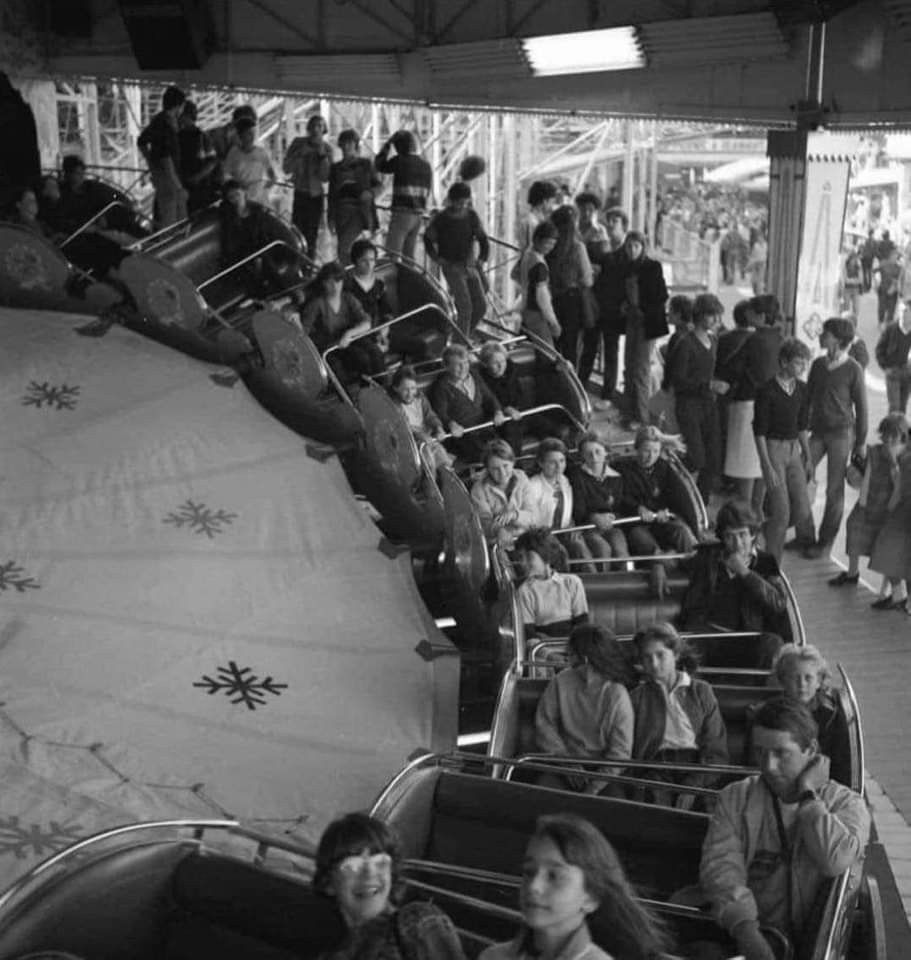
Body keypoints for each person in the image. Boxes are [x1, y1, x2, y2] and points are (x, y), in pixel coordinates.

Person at [699, 698, 869, 960]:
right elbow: (721, 868)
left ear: (811, 750)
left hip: (812, 944)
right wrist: (747, 931)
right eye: (760, 752)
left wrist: (809, 796)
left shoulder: (846, 804)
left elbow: (833, 860)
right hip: (747, 936)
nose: (768, 765)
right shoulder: (735, 797)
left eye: (781, 753)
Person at [478, 814, 671, 960]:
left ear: (591, 897)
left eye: (554, 876)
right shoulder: (493, 957)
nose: (534, 886)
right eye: (529, 872)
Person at [313, 812, 466, 960]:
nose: (369, 874)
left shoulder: (416, 921)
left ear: (391, 874)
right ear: (328, 883)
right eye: (353, 866)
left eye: (381, 863)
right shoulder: (333, 952)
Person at [630, 622, 728, 803]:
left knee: (700, 806)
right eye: (647, 657)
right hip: (656, 768)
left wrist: (694, 784)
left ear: (675, 654)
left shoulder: (700, 691)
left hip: (696, 765)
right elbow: (633, 752)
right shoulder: (637, 698)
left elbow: (716, 750)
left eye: (660, 655)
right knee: (656, 807)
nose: (654, 664)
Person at [795, 317, 868, 560]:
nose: (821, 336)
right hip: (817, 432)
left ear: (837, 339)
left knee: (834, 491)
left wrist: (860, 443)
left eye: (826, 333)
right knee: (798, 476)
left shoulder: (853, 369)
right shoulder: (817, 365)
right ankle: (805, 535)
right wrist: (800, 428)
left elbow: (862, 408)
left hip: (842, 434)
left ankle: (825, 542)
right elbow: (807, 399)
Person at [534, 624, 635, 796]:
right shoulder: (560, 681)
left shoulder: (616, 695)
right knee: (542, 793)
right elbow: (544, 726)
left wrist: (594, 787)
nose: (568, 660)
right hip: (564, 762)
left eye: (571, 654)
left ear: (584, 659)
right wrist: (565, 760)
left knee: (614, 801)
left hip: (605, 771)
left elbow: (620, 754)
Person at [679, 500, 789, 654]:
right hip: (709, 635)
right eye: (730, 536)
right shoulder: (709, 556)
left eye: (742, 535)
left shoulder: (766, 561)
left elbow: (778, 603)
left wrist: (745, 573)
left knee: (772, 644)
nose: (738, 544)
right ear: (723, 539)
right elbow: (680, 564)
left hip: (747, 638)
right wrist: (659, 566)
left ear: (752, 534)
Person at [753, 338, 814, 561]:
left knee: (803, 509)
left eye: (804, 362)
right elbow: (759, 431)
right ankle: (772, 566)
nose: (802, 367)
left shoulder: (803, 389)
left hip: (794, 449)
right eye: (798, 362)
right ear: (784, 362)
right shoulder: (766, 390)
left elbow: (802, 426)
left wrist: (808, 456)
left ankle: (765, 531)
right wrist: (766, 465)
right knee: (782, 512)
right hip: (773, 448)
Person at [755, 645, 851, 785]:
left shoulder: (831, 716)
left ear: (818, 682)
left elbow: (842, 765)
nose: (801, 684)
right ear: (782, 680)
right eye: (794, 678)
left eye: (808, 678)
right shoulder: (767, 713)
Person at [832, 412, 908, 589]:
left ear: (902, 436)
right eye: (886, 434)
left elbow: (900, 486)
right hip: (871, 500)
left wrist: (894, 463)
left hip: (891, 507)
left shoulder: (905, 457)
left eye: (894, 435)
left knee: (886, 548)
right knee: (853, 526)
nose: (889, 439)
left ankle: (893, 591)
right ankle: (852, 573)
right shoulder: (875, 451)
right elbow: (867, 477)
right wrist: (862, 503)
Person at [667, 293, 726, 502]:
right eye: (712, 315)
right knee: (696, 457)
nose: (716, 320)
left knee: (714, 459)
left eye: (717, 315)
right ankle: (671, 483)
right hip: (688, 405)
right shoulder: (686, 343)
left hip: (708, 404)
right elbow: (678, 381)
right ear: (700, 315)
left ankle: (701, 502)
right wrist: (707, 385)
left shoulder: (713, 341)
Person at [616, 425, 697, 558]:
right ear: (637, 448)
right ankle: (668, 562)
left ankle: (696, 560)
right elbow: (620, 497)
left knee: (681, 531)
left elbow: (676, 497)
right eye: (646, 451)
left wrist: (665, 510)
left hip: (659, 521)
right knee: (645, 542)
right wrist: (638, 508)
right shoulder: (623, 469)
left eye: (655, 451)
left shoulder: (663, 467)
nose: (651, 457)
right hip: (635, 524)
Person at [301, 260, 385, 385]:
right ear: (323, 283)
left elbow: (366, 323)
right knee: (344, 365)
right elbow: (305, 332)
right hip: (328, 347)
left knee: (374, 352)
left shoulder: (348, 298)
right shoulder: (317, 304)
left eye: (338, 281)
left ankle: (382, 386)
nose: (335, 286)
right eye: (330, 282)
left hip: (348, 340)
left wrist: (349, 334)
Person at [424, 181, 489, 336]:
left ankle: (462, 336)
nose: (461, 206)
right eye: (458, 202)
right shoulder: (441, 219)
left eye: (464, 203)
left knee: (480, 306)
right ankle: (461, 341)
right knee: (465, 307)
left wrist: (481, 258)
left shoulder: (471, 216)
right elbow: (428, 238)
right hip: (452, 267)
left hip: (469, 265)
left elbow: (483, 239)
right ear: (451, 200)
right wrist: (437, 258)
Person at [583, 207, 629, 410]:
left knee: (611, 352)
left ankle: (608, 395)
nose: (610, 225)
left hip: (615, 310)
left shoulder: (628, 251)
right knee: (589, 349)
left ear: (624, 226)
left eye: (615, 221)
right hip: (597, 306)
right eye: (608, 221)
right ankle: (580, 388)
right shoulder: (604, 247)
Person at [429, 343, 505, 462]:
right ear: (446, 366)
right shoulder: (440, 387)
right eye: (458, 365)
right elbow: (440, 413)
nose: (463, 368)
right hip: (463, 434)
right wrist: (451, 424)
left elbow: (489, 398)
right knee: (484, 455)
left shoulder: (474, 375)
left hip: (483, 427)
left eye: (465, 363)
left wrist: (498, 411)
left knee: (501, 449)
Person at [716, 300, 759, 503]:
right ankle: (741, 490)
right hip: (747, 399)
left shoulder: (723, 339)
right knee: (746, 450)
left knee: (726, 438)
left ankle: (726, 481)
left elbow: (720, 368)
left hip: (725, 396)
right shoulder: (756, 340)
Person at [567, 431, 629, 570]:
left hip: (612, 525)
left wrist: (611, 517)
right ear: (582, 455)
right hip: (588, 526)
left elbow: (620, 507)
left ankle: (625, 579)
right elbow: (578, 510)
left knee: (621, 553)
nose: (594, 457)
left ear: (605, 451)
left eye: (598, 451)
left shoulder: (616, 478)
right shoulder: (577, 476)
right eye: (588, 453)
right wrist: (594, 517)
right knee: (603, 549)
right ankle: (604, 581)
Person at [514, 528, 588, 639]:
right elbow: (529, 633)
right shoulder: (525, 591)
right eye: (520, 557)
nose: (522, 563)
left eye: (529, 557)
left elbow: (582, 624)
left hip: (574, 643)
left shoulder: (572, 582)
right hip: (543, 646)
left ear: (546, 556)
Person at [868, 429, 911, 613]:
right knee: (896, 554)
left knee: (888, 550)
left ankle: (900, 597)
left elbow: (900, 491)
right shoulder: (904, 460)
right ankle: (900, 598)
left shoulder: (906, 461)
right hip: (903, 513)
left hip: (904, 513)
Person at [546, 204, 594, 366]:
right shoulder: (578, 248)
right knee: (570, 348)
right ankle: (568, 379)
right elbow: (587, 280)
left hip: (550, 299)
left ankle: (551, 378)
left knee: (551, 347)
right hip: (572, 302)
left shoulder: (549, 247)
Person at [374, 130, 432, 262]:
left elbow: (380, 165)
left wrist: (387, 144)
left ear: (398, 147)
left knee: (392, 254)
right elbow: (428, 191)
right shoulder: (426, 165)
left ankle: (393, 276)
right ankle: (408, 275)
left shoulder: (400, 161)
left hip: (402, 213)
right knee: (409, 257)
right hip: (418, 215)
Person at [328, 128, 381, 265]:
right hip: (341, 212)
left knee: (345, 248)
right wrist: (330, 217)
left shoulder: (366, 164)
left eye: (350, 143)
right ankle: (349, 272)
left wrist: (370, 194)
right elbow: (332, 194)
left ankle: (350, 273)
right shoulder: (335, 168)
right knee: (344, 247)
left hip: (360, 211)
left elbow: (378, 185)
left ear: (355, 144)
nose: (346, 146)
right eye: (344, 143)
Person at [137, 84, 187, 228]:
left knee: (172, 214)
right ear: (178, 106)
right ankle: (172, 240)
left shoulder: (159, 120)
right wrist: (178, 186)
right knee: (172, 218)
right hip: (169, 177)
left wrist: (151, 162)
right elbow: (166, 158)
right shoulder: (165, 126)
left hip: (164, 175)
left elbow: (141, 141)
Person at [284, 114, 332, 259]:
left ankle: (309, 263)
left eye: (320, 126)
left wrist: (322, 157)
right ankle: (296, 260)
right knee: (296, 232)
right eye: (314, 126)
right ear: (309, 128)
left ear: (324, 130)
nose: (316, 129)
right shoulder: (298, 143)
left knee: (312, 234)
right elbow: (286, 167)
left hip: (315, 196)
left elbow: (326, 177)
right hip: (300, 192)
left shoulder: (327, 148)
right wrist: (300, 154)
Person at [471, 438, 533, 546]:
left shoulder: (522, 479)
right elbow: (483, 522)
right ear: (487, 469)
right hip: (496, 543)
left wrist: (515, 515)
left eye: (505, 466)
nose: (502, 473)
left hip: (525, 538)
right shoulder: (478, 489)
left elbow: (533, 516)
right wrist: (498, 530)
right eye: (495, 469)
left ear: (513, 462)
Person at [389, 366, 451, 471]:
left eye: (413, 388)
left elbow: (430, 416)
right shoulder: (392, 405)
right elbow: (401, 426)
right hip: (409, 444)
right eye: (405, 390)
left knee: (443, 459)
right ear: (396, 388)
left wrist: (438, 428)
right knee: (428, 462)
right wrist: (419, 434)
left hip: (428, 440)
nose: (410, 394)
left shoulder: (420, 398)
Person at [517, 220, 561, 347]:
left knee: (524, 349)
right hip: (536, 314)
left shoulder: (527, 254)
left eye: (553, 244)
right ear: (537, 239)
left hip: (525, 310)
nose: (550, 248)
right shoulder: (539, 264)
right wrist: (553, 322)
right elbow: (542, 298)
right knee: (546, 351)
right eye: (547, 243)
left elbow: (515, 274)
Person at [477, 341, 524, 455]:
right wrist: (503, 409)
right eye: (495, 363)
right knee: (510, 431)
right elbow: (486, 402)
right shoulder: (480, 379)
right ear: (485, 364)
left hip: (519, 411)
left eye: (503, 361)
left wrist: (515, 408)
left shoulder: (512, 371)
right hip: (497, 418)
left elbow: (520, 394)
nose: (501, 366)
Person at [523, 437, 575, 533]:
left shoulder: (565, 480)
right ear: (540, 463)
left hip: (564, 531)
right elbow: (530, 521)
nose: (559, 467)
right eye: (552, 462)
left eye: (562, 461)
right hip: (541, 535)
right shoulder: (533, 486)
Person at [223, 116, 276, 207]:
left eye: (253, 133)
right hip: (240, 199)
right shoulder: (233, 153)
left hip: (259, 199)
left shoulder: (261, 152)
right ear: (240, 135)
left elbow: (273, 177)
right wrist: (237, 186)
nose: (252, 136)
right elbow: (226, 175)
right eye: (248, 133)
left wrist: (263, 190)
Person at [177, 100, 218, 214]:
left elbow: (212, 162)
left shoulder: (201, 136)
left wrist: (197, 177)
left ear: (186, 116)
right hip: (185, 184)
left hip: (198, 186)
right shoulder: (177, 136)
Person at [875, 298, 911, 415]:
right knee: (894, 406)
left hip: (908, 373)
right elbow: (879, 349)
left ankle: (900, 427)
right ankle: (892, 426)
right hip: (893, 372)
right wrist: (886, 367)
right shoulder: (891, 328)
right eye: (901, 310)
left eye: (906, 311)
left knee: (902, 406)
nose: (903, 313)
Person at [518, 180, 558, 252]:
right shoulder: (532, 222)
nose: (552, 206)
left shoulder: (530, 219)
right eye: (551, 202)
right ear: (544, 201)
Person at [875, 245, 903, 328]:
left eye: (897, 255)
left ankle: (888, 326)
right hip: (883, 289)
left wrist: (896, 285)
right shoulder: (883, 263)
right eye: (894, 255)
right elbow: (875, 272)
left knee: (891, 309)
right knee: (882, 308)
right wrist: (876, 283)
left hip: (893, 291)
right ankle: (880, 322)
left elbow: (901, 279)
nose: (895, 257)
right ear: (890, 255)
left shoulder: (899, 267)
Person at [575, 191, 609, 259]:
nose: (586, 213)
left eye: (591, 210)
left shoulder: (600, 230)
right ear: (578, 209)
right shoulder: (572, 228)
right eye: (583, 209)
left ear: (595, 211)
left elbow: (605, 256)